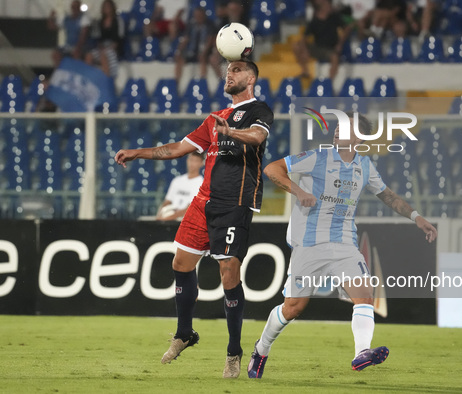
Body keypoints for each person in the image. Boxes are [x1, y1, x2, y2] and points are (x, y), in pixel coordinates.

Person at [115, 58, 273, 379]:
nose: (229, 74)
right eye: (228, 71)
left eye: (237, 70)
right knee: (180, 263)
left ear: (252, 78)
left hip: (234, 201)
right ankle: (184, 333)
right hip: (203, 201)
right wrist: (138, 152)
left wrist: (232, 133)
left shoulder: (260, 110)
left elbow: (257, 137)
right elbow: (178, 148)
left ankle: (233, 352)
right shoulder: (214, 118)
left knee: (228, 272)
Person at [247, 114, 437, 378]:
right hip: (309, 244)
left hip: (344, 243)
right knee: (293, 307)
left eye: (344, 129)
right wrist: (298, 191)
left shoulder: (365, 166)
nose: (337, 132)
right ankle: (261, 349)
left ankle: (361, 353)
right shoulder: (317, 158)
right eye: (337, 127)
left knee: (364, 295)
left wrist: (417, 217)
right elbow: (271, 169)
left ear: (358, 138)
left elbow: (388, 196)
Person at [292, 0, 353, 79]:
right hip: (318, 47)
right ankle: (305, 71)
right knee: (296, 45)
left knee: (334, 57)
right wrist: (305, 50)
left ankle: (330, 81)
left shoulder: (334, 17)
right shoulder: (315, 20)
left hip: (330, 49)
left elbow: (348, 28)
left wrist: (340, 44)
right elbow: (304, 37)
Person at [174, 7, 219, 85]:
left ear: (203, 15)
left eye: (199, 15)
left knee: (203, 59)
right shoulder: (191, 25)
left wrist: (204, 52)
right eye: (196, 15)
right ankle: (176, 82)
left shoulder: (210, 25)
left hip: (206, 52)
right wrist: (179, 51)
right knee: (180, 60)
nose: (198, 17)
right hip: (192, 51)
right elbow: (186, 39)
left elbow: (210, 40)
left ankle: (202, 81)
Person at [156, 151, 204, 221]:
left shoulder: (202, 184)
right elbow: (167, 201)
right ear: (187, 160)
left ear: (201, 163)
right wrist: (160, 213)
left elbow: (191, 208)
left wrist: (170, 217)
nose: (192, 163)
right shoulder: (177, 181)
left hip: (186, 222)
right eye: (191, 159)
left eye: (196, 161)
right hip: (170, 219)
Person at [85, 0, 125, 78]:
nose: (107, 8)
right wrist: (101, 47)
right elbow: (98, 38)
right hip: (102, 48)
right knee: (89, 55)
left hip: (114, 49)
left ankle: (106, 80)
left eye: (108, 6)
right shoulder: (100, 22)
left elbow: (119, 38)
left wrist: (108, 48)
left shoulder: (118, 21)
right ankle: (88, 79)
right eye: (105, 7)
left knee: (104, 56)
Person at [47, 0, 90, 67]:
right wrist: (51, 17)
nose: (74, 8)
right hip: (68, 45)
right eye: (73, 7)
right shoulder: (66, 18)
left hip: (81, 46)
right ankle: (60, 72)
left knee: (76, 55)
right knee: (55, 54)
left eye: (76, 7)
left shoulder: (84, 18)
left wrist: (77, 48)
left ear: (79, 8)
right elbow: (52, 27)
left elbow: (83, 37)